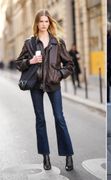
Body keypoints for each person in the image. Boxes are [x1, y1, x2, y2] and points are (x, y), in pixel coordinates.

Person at [15, 9, 74, 171]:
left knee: (59, 118)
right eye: (41, 21)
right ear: (36, 23)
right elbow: (18, 63)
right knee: (40, 120)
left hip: (53, 84)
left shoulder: (57, 42)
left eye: (46, 21)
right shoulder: (30, 43)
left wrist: (58, 75)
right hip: (35, 85)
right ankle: (45, 156)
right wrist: (31, 61)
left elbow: (70, 65)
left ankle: (68, 155)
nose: (43, 24)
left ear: (50, 23)